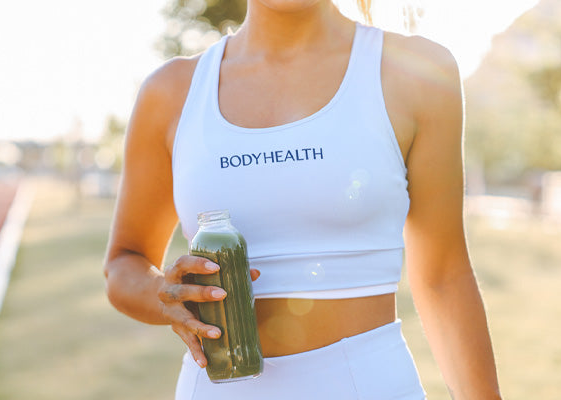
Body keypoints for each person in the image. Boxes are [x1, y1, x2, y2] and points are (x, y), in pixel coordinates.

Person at [103, 0, 502, 398]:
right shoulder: (171, 90)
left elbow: (444, 277)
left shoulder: (417, 70)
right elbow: (124, 262)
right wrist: (163, 296)